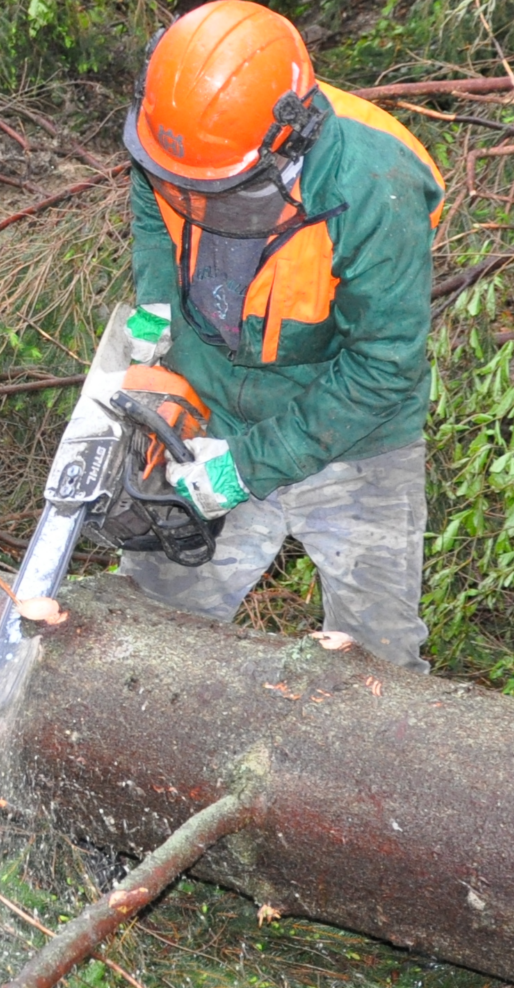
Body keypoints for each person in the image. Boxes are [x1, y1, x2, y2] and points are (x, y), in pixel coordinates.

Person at [117, 0, 444, 673]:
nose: (190, 197)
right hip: (215, 400)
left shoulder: (375, 189)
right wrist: (156, 328)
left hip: (354, 429)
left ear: (287, 139)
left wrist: (249, 467)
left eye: (213, 188)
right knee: (147, 631)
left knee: (376, 662)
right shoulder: (179, 137)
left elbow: (384, 368)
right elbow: (153, 209)